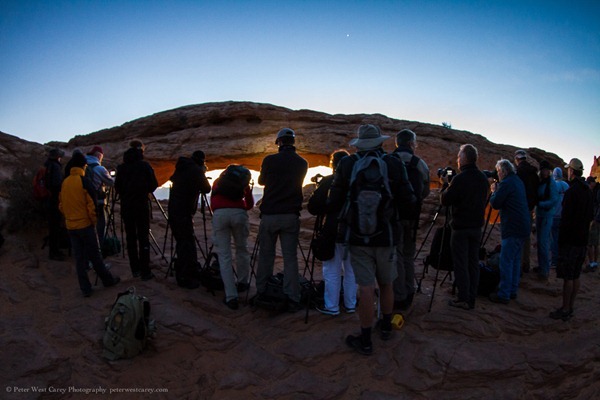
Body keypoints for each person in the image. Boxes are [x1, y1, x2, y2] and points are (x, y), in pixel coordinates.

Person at [327, 124, 415, 355]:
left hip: (357, 238)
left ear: (359, 144)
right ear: (380, 142)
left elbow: (334, 201)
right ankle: (385, 327)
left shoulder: (347, 164)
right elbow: (409, 201)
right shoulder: (394, 164)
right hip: (386, 236)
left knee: (365, 288)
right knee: (386, 283)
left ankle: (365, 340)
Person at [255, 128, 308, 312]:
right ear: (293, 142)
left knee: (265, 255)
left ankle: (262, 290)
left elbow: (261, 181)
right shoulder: (302, 163)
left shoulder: (269, 160)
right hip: (290, 215)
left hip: (270, 214)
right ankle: (293, 296)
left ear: (278, 143)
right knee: (290, 258)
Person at [59, 152, 120, 297]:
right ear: (83, 166)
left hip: (71, 226)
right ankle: (107, 280)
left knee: (80, 259)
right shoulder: (84, 181)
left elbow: (61, 205)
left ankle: (85, 289)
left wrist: (69, 218)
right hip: (85, 225)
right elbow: (91, 206)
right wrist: (93, 222)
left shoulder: (65, 182)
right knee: (95, 255)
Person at [307, 149, 357, 316]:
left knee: (331, 270)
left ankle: (332, 306)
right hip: (354, 231)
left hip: (332, 230)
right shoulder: (357, 181)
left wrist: (318, 189)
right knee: (351, 271)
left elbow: (314, 207)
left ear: (333, 165)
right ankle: (351, 305)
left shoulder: (330, 181)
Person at [440, 144, 489, 310]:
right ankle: (471, 299)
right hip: (476, 227)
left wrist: (445, 185)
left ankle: (463, 298)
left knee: (460, 263)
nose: (457, 160)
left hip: (461, 228)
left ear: (465, 158)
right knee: (473, 263)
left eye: (459, 156)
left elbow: (445, 200)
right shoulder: (483, 179)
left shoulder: (460, 178)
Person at [391, 129, 430, 310]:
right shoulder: (420, 164)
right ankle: (409, 290)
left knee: (396, 255)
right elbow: (425, 191)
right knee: (408, 255)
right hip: (412, 216)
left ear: (397, 143)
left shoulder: (389, 161)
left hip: (393, 216)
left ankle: (398, 295)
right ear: (412, 143)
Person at [549, 158, 593, 321]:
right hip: (582, 239)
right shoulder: (587, 191)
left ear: (572, 171)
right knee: (576, 275)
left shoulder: (572, 191)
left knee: (568, 277)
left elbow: (566, 219)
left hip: (570, 240)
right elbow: (589, 216)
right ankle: (571, 307)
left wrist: (561, 241)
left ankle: (565, 308)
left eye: (569, 169)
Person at [211, 164, 254, 309]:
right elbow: (249, 205)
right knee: (242, 249)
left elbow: (213, 203)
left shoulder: (217, 182)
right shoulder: (243, 182)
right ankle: (242, 283)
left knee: (224, 256)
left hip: (220, 215)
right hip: (238, 214)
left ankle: (231, 296)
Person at [114, 140, 158, 281]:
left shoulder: (121, 168)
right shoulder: (144, 166)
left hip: (127, 206)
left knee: (130, 238)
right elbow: (153, 185)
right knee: (143, 237)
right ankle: (145, 271)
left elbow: (117, 187)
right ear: (141, 150)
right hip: (141, 205)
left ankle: (135, 270)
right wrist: (143, 190)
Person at [168, 151, 212, 289]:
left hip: (174, 210)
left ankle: (186, 269)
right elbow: (206, 189)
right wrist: (202, 173)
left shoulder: (182, 167)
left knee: (183, 241)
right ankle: (184, 277)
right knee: (186, 244)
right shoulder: (195, 170)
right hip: (183, 212)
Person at [488, 159, 530, 304]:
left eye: (499, 172)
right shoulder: (517, 181)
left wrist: (494, 191)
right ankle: (512, 290)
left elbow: (495, 203)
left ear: (503, 171)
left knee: (506, 261)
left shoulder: (506, 183)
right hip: (523, 226)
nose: (498, 175)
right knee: (515, 260)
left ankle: (504, 294)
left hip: (512, 227)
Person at [533, 160, 560, 281]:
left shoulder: (551, 183)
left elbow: (554, 200)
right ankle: (541, 266)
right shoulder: (540, 181)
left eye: (547, 170)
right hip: (539, 214)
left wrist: (541, 204)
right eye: (543, 169)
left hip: (547, 215)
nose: (545, 172)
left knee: (544, 242)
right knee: (540, 241)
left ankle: (545, 270)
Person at [514, 149, 539, 272]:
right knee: (526, 236)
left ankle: (518, 264)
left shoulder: (518, 172)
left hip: (519, 208)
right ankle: (526, 263)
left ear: (517, 159)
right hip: (530, 208)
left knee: (516, 236)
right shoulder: (533, 173)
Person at [85, 146, 115, 244]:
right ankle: (99, 246)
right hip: (97, 201)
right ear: (99, 155)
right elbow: (112, 183)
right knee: (100, 224)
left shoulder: (83, 166)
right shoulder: (99, 168)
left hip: (83, 201)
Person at [45, 148, 66, 261]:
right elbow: (57, 184)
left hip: (48, 199)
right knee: (55, 227)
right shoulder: (55, 167)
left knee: (52, 227)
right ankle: (54, 252)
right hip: (55, 200)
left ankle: (53, 250)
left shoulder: (47, 165)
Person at [551, 167, 569, 268]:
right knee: (561, 239)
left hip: (554, 215)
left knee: (553, 239)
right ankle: (561, 259)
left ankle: (554, 261)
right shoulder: (566, 185)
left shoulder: (554, 185)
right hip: (563, 216)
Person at [584, 176, 599, 272]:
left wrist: (594, 219)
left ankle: (592, 263)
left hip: (595, 220)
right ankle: (595, 262)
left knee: (590, 243)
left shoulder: (597, 191)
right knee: (596, 243)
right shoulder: (596, 190)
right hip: (596, 219)